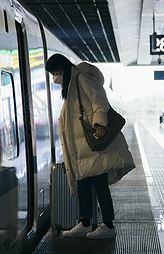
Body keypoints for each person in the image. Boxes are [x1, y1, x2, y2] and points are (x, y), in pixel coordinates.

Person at [45, 54, 135, 239]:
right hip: (81, 148)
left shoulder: (82, 78)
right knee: (83, 184)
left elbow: (99, 100)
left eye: (55, 72)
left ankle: (108, 225)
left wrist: (99, 123)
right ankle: (84, 223)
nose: (54, 76)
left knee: (100, 184)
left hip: (91, 146)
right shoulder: (70, 85)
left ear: (62, 68)